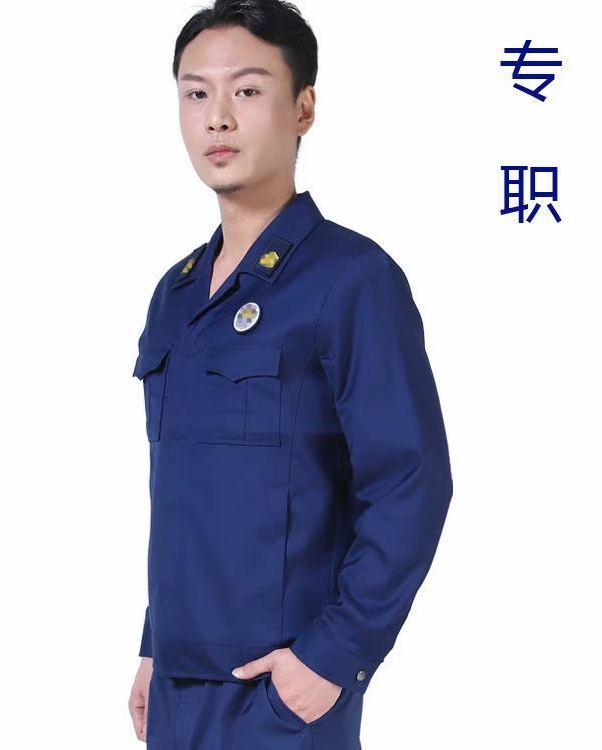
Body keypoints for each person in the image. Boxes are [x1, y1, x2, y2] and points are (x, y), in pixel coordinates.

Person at [127, 1, 454, 747]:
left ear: (303, 108)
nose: (217, 118)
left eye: (247, 90)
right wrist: (155, 642)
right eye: (196, 93)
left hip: (281, 696)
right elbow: (183, 497)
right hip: (175, 689)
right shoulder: (177, 293)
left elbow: (411, 482)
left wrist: (334, 656)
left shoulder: (351, 279)